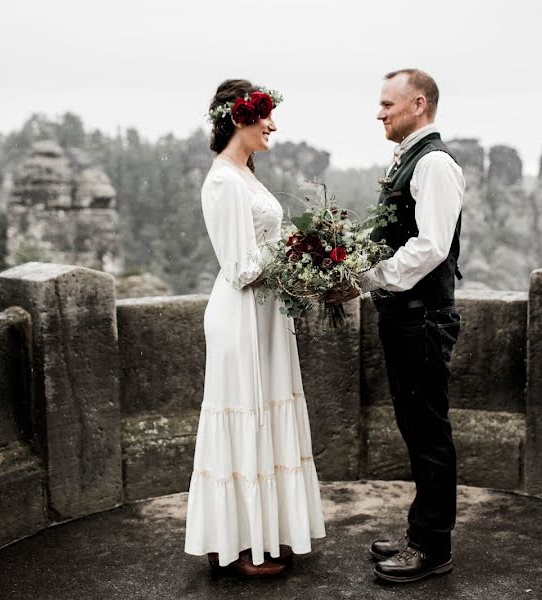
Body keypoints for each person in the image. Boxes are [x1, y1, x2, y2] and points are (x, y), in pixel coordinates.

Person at [183, 79, 326, 578]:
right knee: (246, 414)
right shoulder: (222, 180)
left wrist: (312, 253)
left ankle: (264, 534)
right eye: (265, 115)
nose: (273, 124)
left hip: (266, 314)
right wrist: (301, 258)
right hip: (241, 314)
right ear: (238, 117)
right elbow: (241, 267)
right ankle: (241, 546)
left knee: (267, 414)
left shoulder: (247, 175)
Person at [330, 68, 465, 583]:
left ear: (420, 104)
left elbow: (430, 247)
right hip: (405, 316)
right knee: (415, 426)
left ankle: (432, 549)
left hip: (423, 319)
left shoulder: (433, 164)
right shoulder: (410, 159)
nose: (379, 112)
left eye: (389, 103)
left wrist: (363, 277)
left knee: (429, 432)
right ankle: (420, 533)